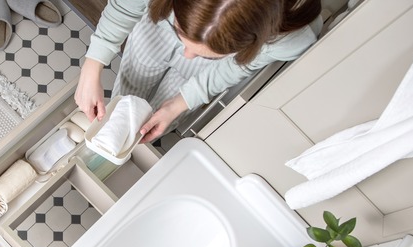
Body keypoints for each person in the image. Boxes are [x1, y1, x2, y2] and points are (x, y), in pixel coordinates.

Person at [75, 0, 322, 143]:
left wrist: (176, 106)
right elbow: (125, 8)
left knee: (164, 111)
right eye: (180, 32)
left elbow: (234, 68)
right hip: (156, 23)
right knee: (134, 78)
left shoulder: (292, 36)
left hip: (213, 69)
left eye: (203, 51)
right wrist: (92, 64)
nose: (187, 54)